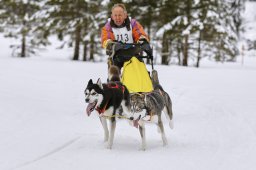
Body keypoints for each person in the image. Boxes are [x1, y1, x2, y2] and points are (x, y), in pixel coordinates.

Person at [101, 3, 151, 68]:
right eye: (115, 15)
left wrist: (143, 40)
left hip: (133, 54)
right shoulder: (108, 27)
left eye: (120, 15)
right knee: (114, 72)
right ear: (112, 16)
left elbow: (139, 33)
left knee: (140, 68)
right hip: (116, 56)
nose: (117, 18)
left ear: (125, 15)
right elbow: (106, 38)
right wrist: (110, 44)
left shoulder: (133, 23)